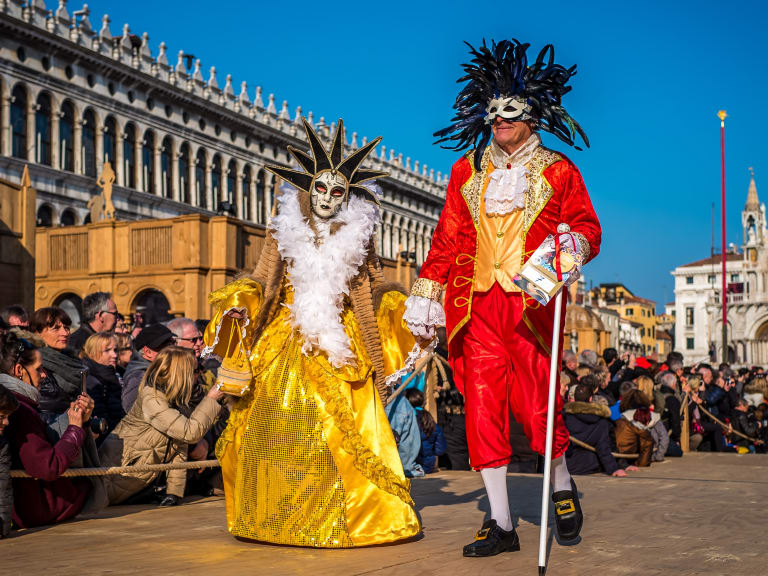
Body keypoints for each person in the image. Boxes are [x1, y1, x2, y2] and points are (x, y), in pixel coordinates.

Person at [403, 39, 600, 556]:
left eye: (510, 111)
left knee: (538, 410)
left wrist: (570, 246)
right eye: (492, 112)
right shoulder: (466, 172)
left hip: (532, 307)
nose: (499, 120)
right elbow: (447, 238)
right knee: (482, 411)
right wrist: (428, 288)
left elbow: (585, 226)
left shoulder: (558, 171)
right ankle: (501, 522)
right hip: (476, 307)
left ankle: (560, 485)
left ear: (532, 113)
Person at [203, 118, 421, 547]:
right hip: (285, 339)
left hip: (341, 342)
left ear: (348, 196)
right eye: (319, 188)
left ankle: (347, 520)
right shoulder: (282, 228)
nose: (326, 198)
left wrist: (395, 303)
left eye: (336, 191)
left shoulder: (361, 235)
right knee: (278, 430)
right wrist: (240, 303)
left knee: (340, 436)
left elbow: (371, 287)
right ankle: (278, 518)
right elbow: (262, 280)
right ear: (306, 190)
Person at [98, 347, 223, 506]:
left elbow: (178, 449)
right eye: (196, 370)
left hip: (138, 487)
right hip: (113, 483)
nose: (200, 374)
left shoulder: (176, 400)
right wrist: (212, 399)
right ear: (181, 373)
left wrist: (174, 493)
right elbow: (190, 434)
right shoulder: (153, 398)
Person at [0, 333, 96, 528]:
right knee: (97, 488)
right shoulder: (20, 411)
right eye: (38, 369)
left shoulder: (19, 404)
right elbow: (47, 466)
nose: (44, 374)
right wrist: (75, 428)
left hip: (30, 506)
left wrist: (80, 420)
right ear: (19, 370)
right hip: (38, 509)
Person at [30, 307, 85, 422]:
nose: (65, 333)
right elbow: (41, 416)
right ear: (37, 333)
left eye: (66, 328)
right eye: (56, 328)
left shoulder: (73, 362)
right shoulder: (35, 367)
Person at [564, 384, 624, 477]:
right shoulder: (600, 421)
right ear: (591, 399)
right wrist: (613, 469)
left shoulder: (564, 417)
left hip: (567, 465)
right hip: (588, 467)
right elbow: (603, 447)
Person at [121, 323, 175, 413]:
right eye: (165, 345)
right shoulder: (138, 378)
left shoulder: (161, 370)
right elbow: (133, 413)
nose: (172, 348)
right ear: (147, 352)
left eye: (172, 342)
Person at [81, 332, 125, 438]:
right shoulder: (91, 381)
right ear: (92, 353)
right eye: (107, 350)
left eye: (115, 350)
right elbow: (101, 421)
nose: (114, 355)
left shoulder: (118, 374)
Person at [405, 388, 447, 474]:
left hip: (411, 466)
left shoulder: (407, 418)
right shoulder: (429, 419)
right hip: (428, 466)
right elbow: (440, 449)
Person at [615, 389, 655, 467]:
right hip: (628, 457)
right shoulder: (637, 423)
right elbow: (647, 446)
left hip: (618, 455)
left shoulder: (620, 419)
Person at [0, 384, 19, 538]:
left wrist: (2, 528)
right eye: (1, 416)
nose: (7, 423)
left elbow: (3, 487)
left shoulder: (2, 444)